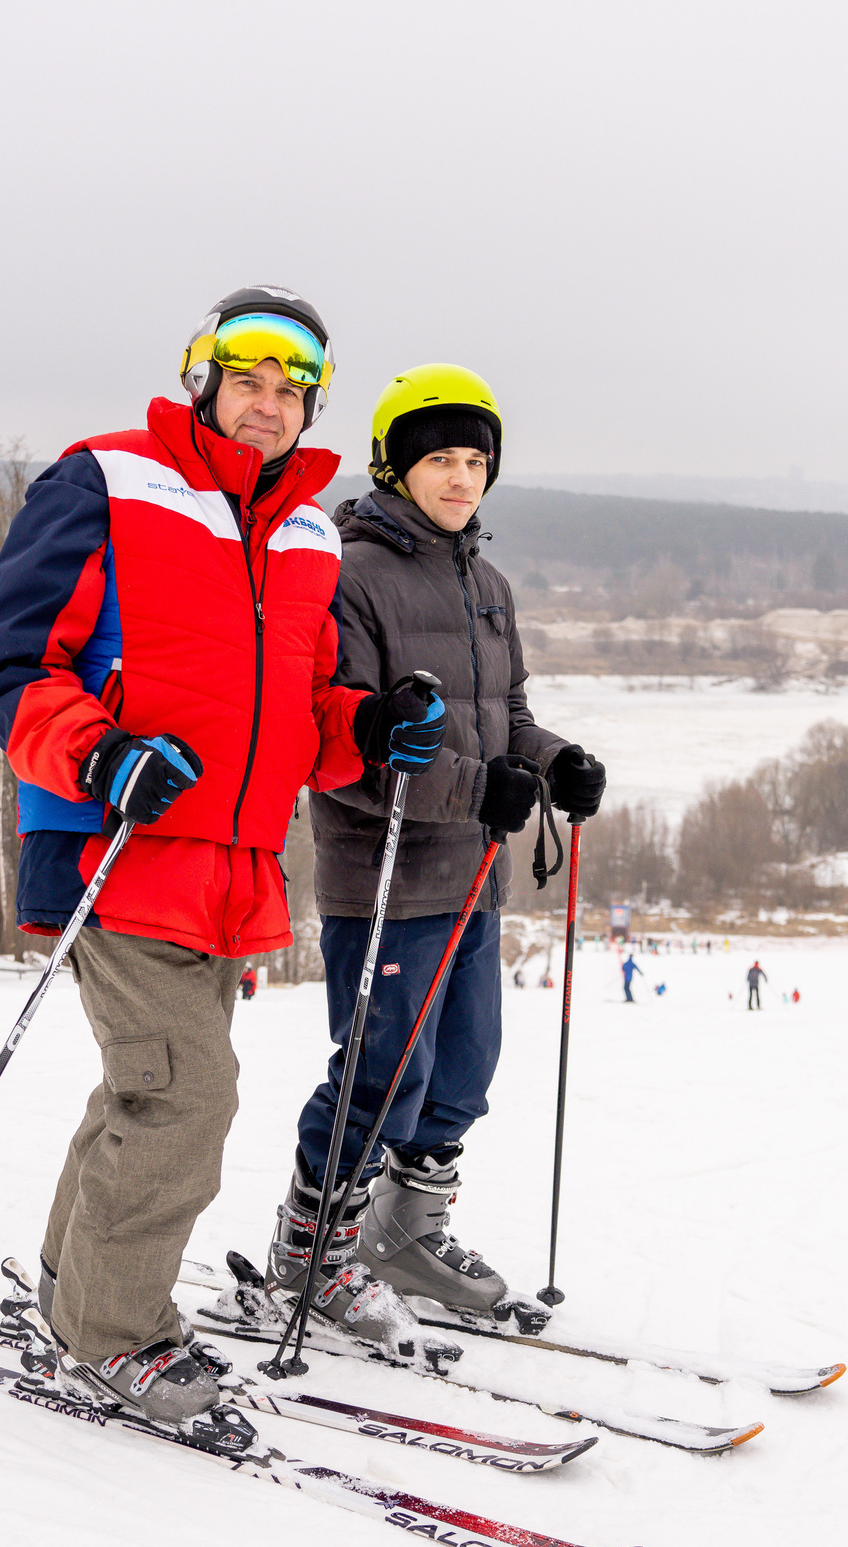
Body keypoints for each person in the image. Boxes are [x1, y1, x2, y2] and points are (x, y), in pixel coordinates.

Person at [0, 286, 447, 1429]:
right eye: (248, 380)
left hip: (229, 871)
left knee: (146, 1088)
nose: (268, 404)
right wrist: (102, 758)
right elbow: (12, 669)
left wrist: (370, 730)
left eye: (292, 390)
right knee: (185, 1098)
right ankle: (115, 1336)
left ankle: (71, 1288)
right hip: (116, 844)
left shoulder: (307, 533)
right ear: (205, 379)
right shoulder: (107, 481)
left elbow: (303, 714)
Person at [283, 363, 605, 1321]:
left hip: (472, 873)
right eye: (440, 460)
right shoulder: (352, 573)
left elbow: (504, 714)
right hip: (382, 875)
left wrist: (551, 764)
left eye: (476, 460)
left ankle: (405, 1231)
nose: (461, 479)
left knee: (465, 1067)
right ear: (395, 466)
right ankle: (311, 1245)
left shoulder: (488, 581)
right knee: (383, 1072)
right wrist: (483, 784)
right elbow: (351, 741)